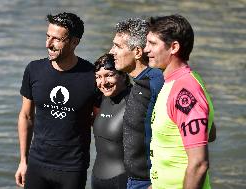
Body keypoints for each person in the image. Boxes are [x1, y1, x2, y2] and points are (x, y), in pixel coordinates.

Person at [14, 12, 97, 189]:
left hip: (73, 167)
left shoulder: (92, 76)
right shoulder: (34, 70)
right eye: (47, 37)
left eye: (57, 39)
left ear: (75, 42)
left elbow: (99, 122)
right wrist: (23, 160)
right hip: (37, 164)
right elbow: (26, 116)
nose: (48, 44)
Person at [144, 14, 216, 189]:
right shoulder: (174, 83)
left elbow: (198, 164)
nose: (146, 49)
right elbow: (210, 133)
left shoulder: (185, 90)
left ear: (174, 47)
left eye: (152, 43)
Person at [109, 18, 164, 189]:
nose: (111, 51)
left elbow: (177, 136)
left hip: (149, 183)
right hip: (132, 181)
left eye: (118, 46)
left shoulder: (157, 82)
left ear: (138, 52)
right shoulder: (138, 83)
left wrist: (157, 184)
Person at [91, 53, 131, 189]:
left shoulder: (135, 101)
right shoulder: (101, 99)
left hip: (123, 180)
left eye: (109, 75)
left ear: (124, 75)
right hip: (96, 178)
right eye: (98, 77)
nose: (103, 83)